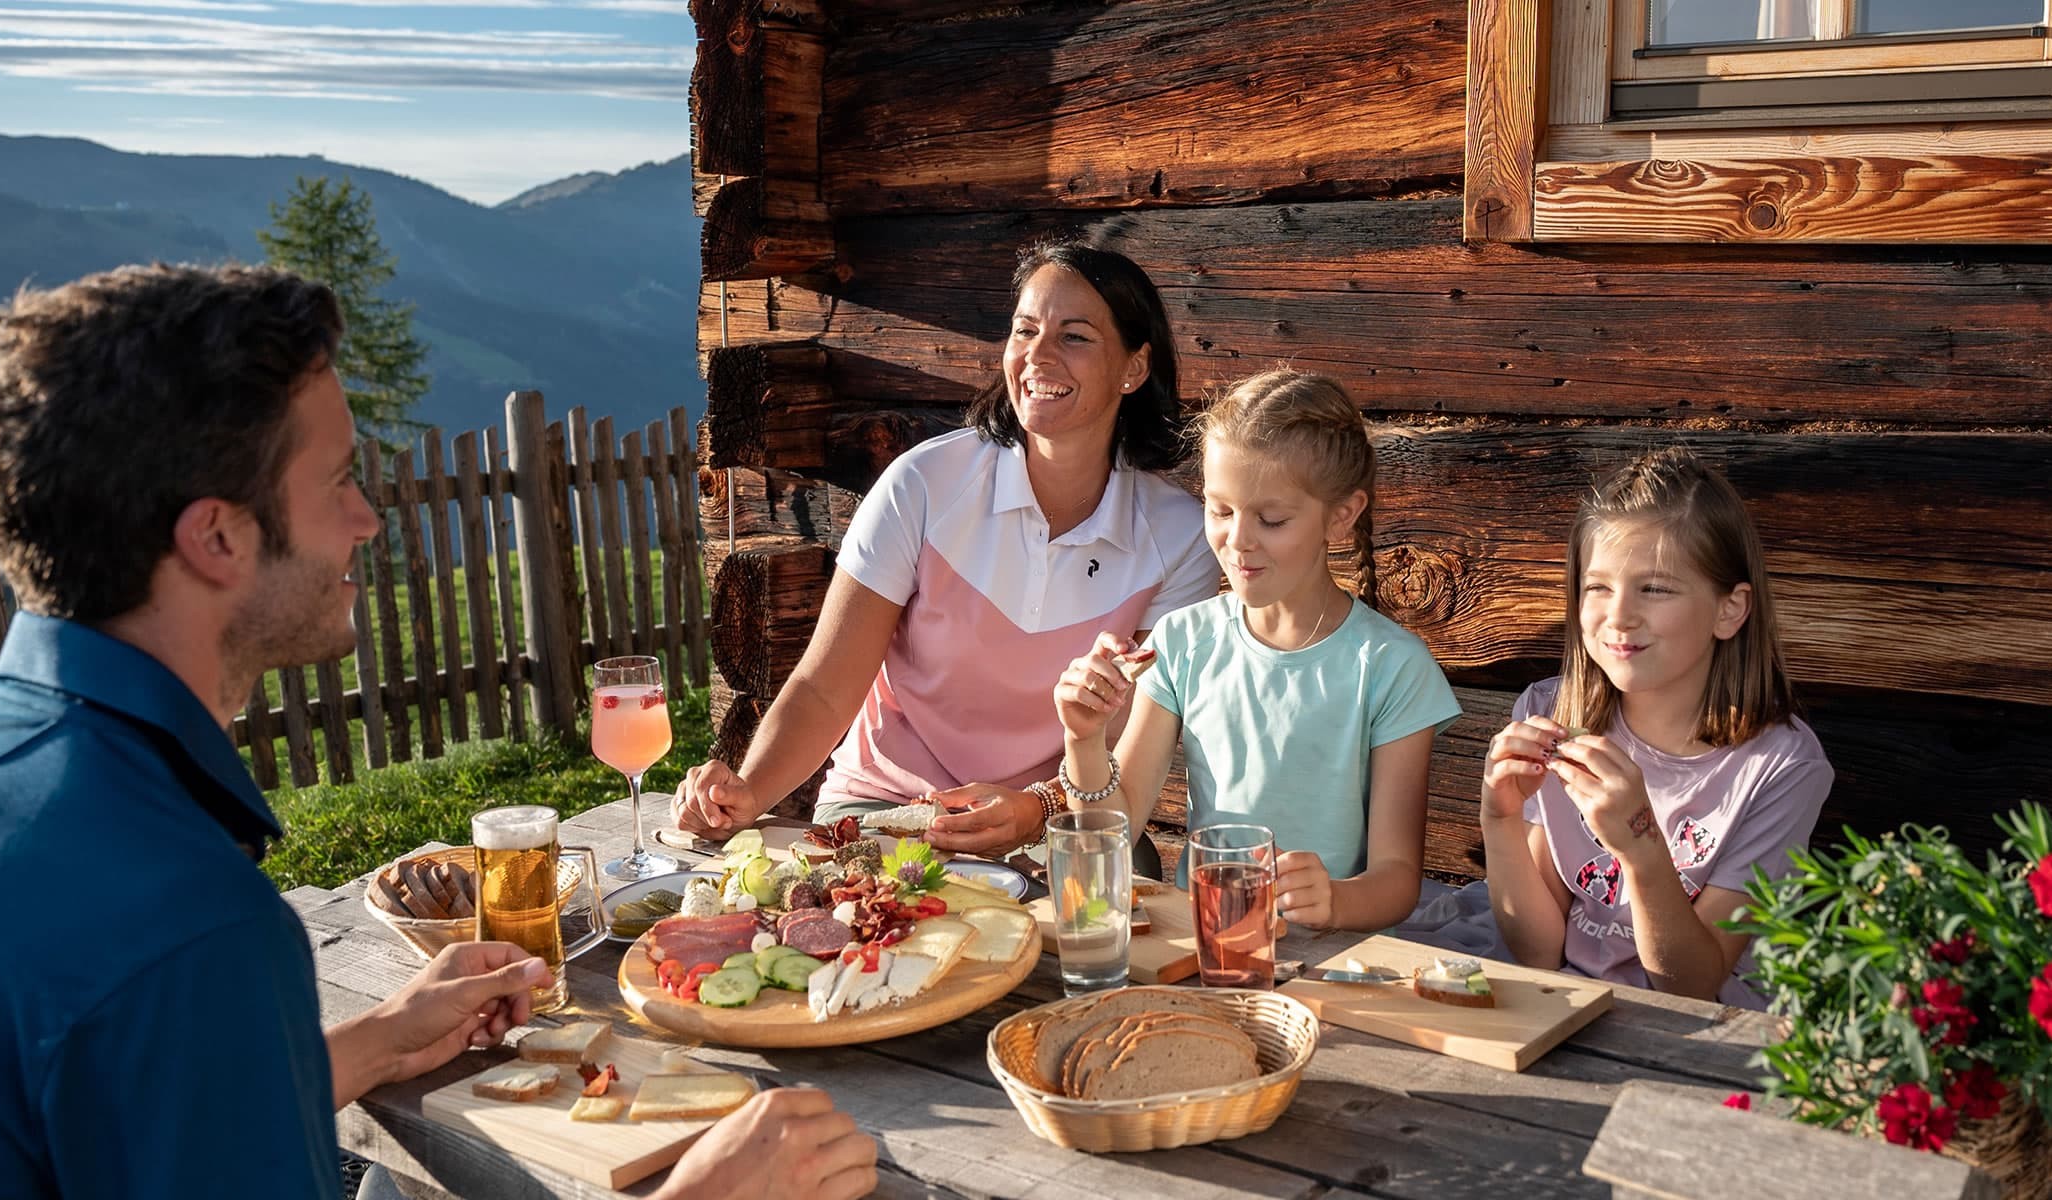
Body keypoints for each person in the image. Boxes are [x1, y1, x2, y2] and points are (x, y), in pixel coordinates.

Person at [0, 263, 876, 1200]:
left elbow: (103, 1107)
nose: (368, 519)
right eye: (339, 481)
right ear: (216, 537)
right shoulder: (179, 922)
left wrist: (378, 1044)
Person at [675, 243, 1216, 860]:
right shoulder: (924, 484)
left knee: (1116, 889)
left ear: (1133, 368)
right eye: (1025, 330)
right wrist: (745, 793)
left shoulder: (1181, 538)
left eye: (1075, 337)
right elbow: (826, 686)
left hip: (1051, 821)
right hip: (885, 807)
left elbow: (1123, 746)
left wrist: (1037, 811)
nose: (1038, 355)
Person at [1052, 370, 1460, 931]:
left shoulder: (1391, 668)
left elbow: (1395, 878)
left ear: (1341, 515)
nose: (1238, 540)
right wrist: (1084, 736)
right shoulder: (1183, 641)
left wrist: (1336, 901)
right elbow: (1111, 830)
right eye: (1220, 511)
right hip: (1206, 942)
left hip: (1332, 961)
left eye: (1271, 519)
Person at [1475, 447, 1832, 1007]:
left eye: (1656, 588)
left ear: (1729, 610)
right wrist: (1498, 817)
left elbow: (1692, 983)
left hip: (1706, 1035)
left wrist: (1639, 844)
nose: (1619, 616)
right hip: (1568, 1005)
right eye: (1598, 587)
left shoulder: (1781, 768)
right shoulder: (1553, 714)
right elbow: (1539, 951)